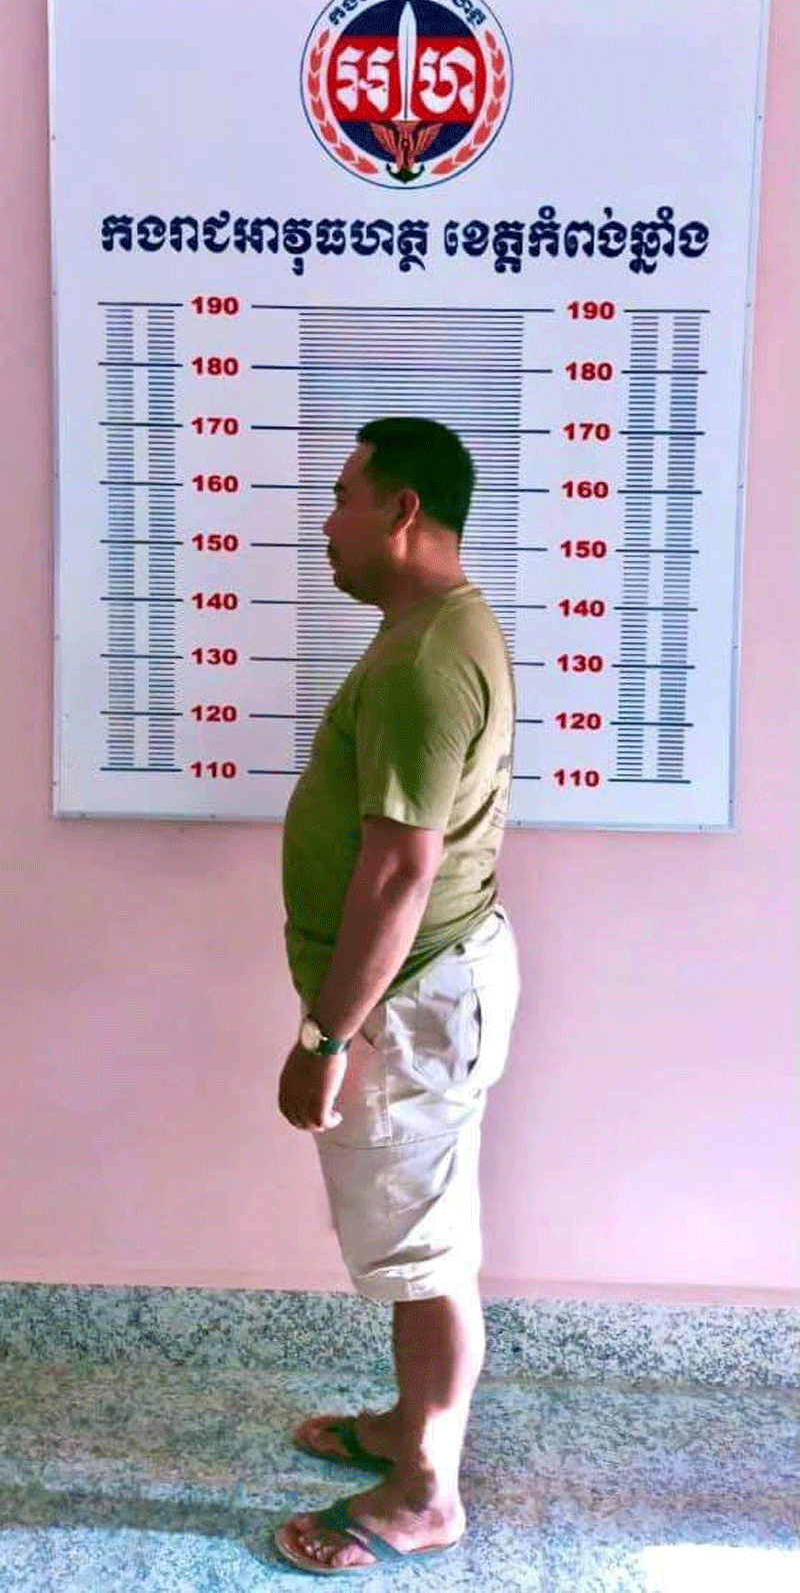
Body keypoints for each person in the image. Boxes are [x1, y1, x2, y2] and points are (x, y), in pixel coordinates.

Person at [274, 416, 521, 1573]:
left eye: (342, 496)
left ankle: (424, 1490)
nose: (327, 522)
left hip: (410, 1000)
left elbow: (397, 868)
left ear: (401, 510)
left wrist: (325, 1032)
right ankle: (404, 1425)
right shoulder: (436, 627)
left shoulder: (426, 658)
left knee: (425, 1255)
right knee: (423, 1235)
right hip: (432, 985)